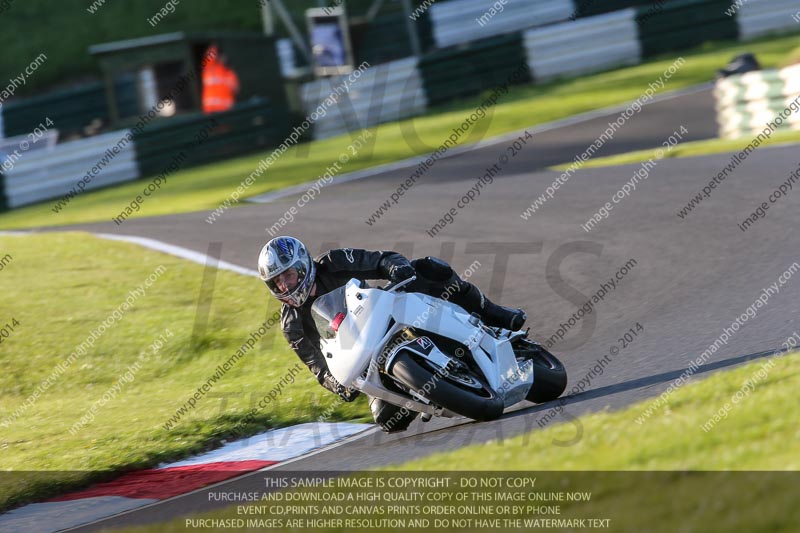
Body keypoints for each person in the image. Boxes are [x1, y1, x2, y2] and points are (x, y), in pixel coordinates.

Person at [257, 236, 527, 433]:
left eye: (288, 276)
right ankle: (429, 391)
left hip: (386, 315)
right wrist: (336, 384)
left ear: (302, 265)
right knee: (387, 419)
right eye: (276, 282)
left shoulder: (334, 262)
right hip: (365, 359)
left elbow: (381, 259)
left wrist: (396, 268)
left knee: (431, 269)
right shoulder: (291, 324)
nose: (284, 285)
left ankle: (494, 314)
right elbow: (317, 365)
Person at [202, 44, 240, 113]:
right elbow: (209, 56)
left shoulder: (230, 74)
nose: (223, 58)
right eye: (221, 56)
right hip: (211, 110)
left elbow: (236, 90)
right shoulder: (211, 69)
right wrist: (215, 47)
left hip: (226, 111)